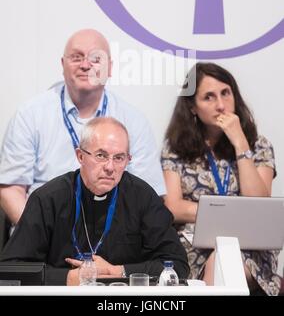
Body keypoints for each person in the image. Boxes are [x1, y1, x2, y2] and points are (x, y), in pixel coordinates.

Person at [0, 29, 165, 226]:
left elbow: (149, 194)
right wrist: (38, 233)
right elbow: (11, 190)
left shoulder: (134, 121)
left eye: (96, 58)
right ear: (63, 65)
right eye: (76, 57)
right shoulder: (30, 115)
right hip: (43, 229)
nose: (85, 65)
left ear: (110, 68)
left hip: (112, 235)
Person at [0, 118, 189, 285]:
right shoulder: (48, 199)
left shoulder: (143, 197)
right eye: (101, 155)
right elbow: (11, 268)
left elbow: (177, 264)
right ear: (80, 156)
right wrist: (66, 279)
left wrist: (116, 271)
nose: (110, 167)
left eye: (119, 158)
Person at [161, 62, 281, 296]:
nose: (221, 105)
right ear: (193, 107)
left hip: (248, 244)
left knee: (225, 260)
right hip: (195, 243)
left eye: (226, 93)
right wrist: (226, 214)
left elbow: (259, 203)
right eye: (209, 97)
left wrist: (240, 143)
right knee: (218, 261)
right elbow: (173, 207)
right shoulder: (175, 148)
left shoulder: (259, 145)